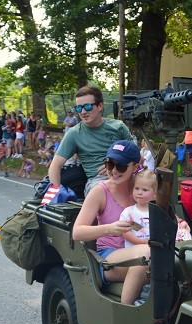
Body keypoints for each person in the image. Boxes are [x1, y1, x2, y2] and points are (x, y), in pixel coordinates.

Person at [72, 140, 150, 305]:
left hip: (140, 249)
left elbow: (159, 210)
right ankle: (128, 310)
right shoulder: (100, 192)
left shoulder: (141, 188)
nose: (114, 171)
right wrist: (109, 229)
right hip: (110, 256)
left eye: (120, 166)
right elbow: (77, 232)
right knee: (148, 254)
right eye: (109, 164)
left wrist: (180, 222)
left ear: (135, 167)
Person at [48, 85, 133, 197]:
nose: (83, 112)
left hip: (125, 174)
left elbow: (136, 157)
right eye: (79, 108)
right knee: (105, 191)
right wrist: (55, 195)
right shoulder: (74, 134)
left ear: (100, 106)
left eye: (87, 107)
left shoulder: (118, 127)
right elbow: (55, 166)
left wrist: (117, 163)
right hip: (99, 181)